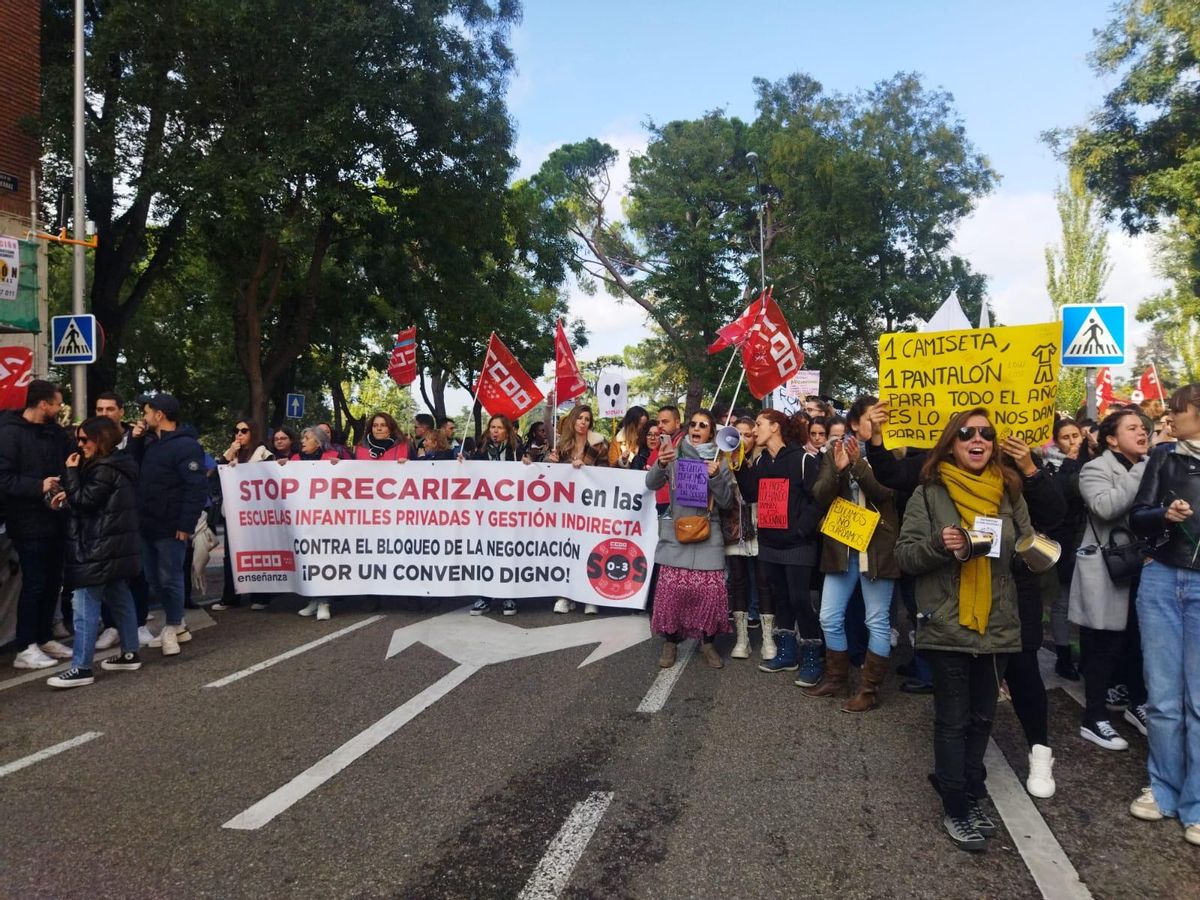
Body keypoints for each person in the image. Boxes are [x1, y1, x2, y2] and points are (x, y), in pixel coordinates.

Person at [894, 409, 1030, 852]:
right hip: (949, 622)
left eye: (986, 434)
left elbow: (1026, 543)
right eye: (967, 433)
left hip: (997, 622)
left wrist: (1037, 553)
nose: (978, 439)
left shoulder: (1008, 491)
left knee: (983, 718)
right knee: (953, 720)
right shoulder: (929, 493)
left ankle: (971, 794)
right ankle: (955, 805)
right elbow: (906, 557)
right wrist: (939, 544)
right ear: (951, 443)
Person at [1127, 383, 1200, 844]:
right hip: (1160, 579)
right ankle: (1163, 787)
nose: (1170, 419)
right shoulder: (1164, 457)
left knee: (1199, 699)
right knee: (1163, 696)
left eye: (1178, 411)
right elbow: (1138, 515)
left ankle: (1195, 802)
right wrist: (1163, 516)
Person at [804, 397, 899, 711]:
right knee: (829, 617)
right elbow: (819, 494)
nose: (880, 422)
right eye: (874, 418)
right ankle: (836, 679)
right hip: (842, 547)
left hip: (877, 548)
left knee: (877, 621)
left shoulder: (892, 452)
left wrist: (859, 465)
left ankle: (869, 691)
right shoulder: (836, 450)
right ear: (856, 423)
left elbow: (885, 492)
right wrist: (838, 470)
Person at [1071, 408, 1149, 754]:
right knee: (1103, 645)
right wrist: (1144, 471)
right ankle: (1094, 717)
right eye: (1132, 428)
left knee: (1137, 640)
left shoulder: (1150, 465)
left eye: (1144, 427)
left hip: (1146, 568)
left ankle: (1137, 703)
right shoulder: (1095, 469)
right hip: (1108, 570)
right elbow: (1105, 507)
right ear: (1112, 439)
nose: (1143, 432)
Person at [45, 418, 143, 687]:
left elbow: (85, 502)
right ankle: (130, 652)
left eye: (85, 439)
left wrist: (71, 474)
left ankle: (82, 667)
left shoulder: (103, 469)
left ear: (100, 439)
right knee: (120, 598)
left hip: (97, 548)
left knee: (84, 605)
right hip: (113, 547)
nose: (80, 445)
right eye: (78, 439)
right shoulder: (118, 465)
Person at [736, 410, 823, 682]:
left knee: (799, 599)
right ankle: (786, 652)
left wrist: (801, 529)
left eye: (759, 425)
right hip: (770, 542)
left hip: (798, 544)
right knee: (780, 598)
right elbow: (751, 494)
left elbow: (818, 500)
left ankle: (812, 655)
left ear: (775, 427)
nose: (754, 431)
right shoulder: (762, 460)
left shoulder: (803, 460)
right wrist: (738, 465)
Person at [646, 408, 735, 668]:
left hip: (708, 537)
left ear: (711, 433)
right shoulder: (672, 454)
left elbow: (727, 502)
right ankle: (670, 643)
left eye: (703, 425)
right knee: (672, 594)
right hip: (677, 535)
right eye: (694, 424)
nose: (696, 429)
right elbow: (651, 484)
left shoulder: (721, 461)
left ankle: (708, 644)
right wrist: (661, 464)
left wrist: (716, 476)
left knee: (709, 594)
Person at [0, 380, 74, 668]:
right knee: (34, 582)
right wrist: (38, 485)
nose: (59, 408)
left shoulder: (54, 432)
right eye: (56, 403)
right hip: (27, 521)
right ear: (44, 404)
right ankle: (25, 645)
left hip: (56, 518)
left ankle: (44, 637)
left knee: (52, 580)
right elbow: (4, 479)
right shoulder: (9, 434)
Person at [130, 393, 207, 656]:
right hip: (147, 523)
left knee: (170, 577)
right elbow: (133, 468)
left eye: (147, 410)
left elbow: (195, 488)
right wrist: (136, 441)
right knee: (154, 578)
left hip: (171, 525)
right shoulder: (151, 442)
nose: (144, 415)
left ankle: (173, 625)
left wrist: (185, 524)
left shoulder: (186, 446)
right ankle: (178, 624)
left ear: (159, 414)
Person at [548, 404, 609, 614]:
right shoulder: (561, 446)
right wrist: (551, 462)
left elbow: (606, 473)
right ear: (573, 420)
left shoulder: (599, 445)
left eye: (587, 419)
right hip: (565, 508)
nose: (583, 422)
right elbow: (552, 477)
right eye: (580, 418)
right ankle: (565, 595)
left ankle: (589, 596)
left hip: (589, 507)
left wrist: (586, 466)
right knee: (567, 551)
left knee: (588, 549)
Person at [722, 416, 770, 659]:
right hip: (734, 530)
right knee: (739, 581)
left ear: (755, 437)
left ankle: (768, 639)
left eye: (748, 434)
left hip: (760, 527)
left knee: (763, 581)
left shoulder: (763, 461)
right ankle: (742, 639)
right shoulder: (723, 460)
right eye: (736, 435)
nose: (742, 439)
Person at [469, 415, 524, 616]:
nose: (495, 431)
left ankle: (510, 596)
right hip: (486, 513)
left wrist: (528, 464)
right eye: (492, 427)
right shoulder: (481, 451)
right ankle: (484, 597)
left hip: (511, 513)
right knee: (487, 553)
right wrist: (462, 464)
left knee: (508, 553)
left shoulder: (516, 451)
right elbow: (471, 473)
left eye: (499, 428)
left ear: (507, 431)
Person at [610, 405, 651, 470]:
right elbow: (611, 466)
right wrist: (622, 461)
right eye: (640, 424)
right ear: (631, 424)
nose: (642, 428)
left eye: (645, 425)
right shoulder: (617, 441)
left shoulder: (648, 440)